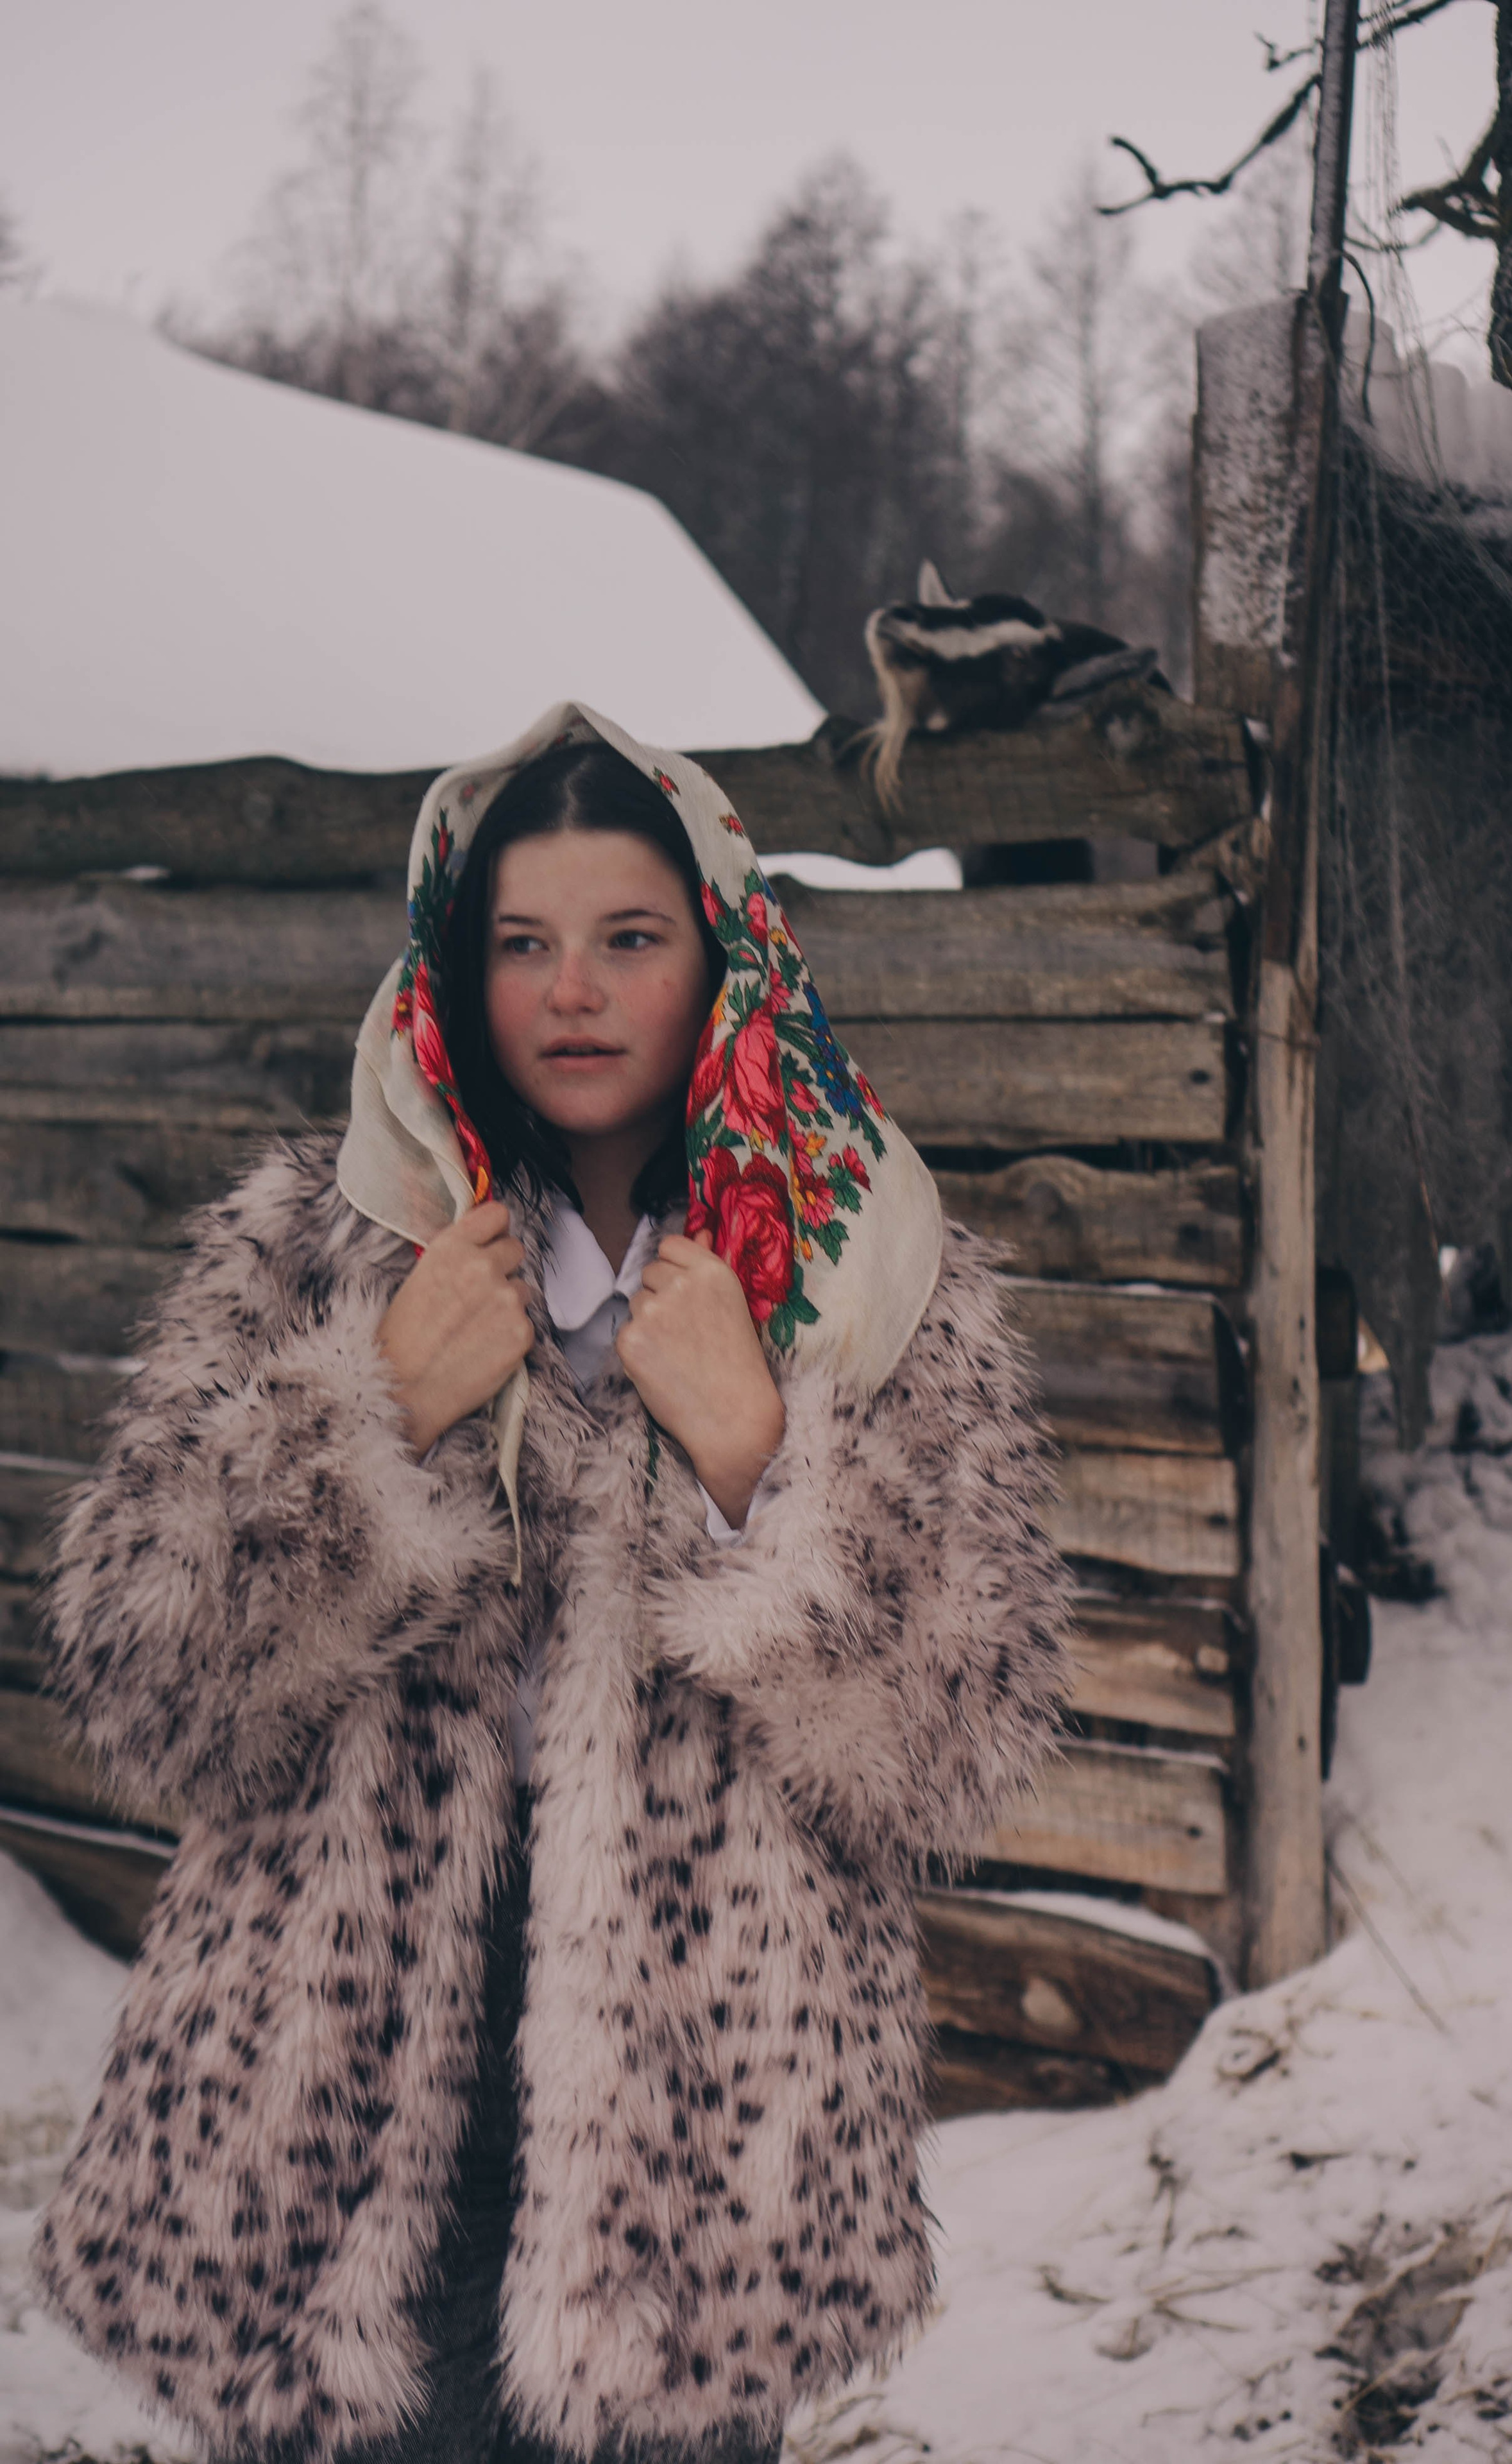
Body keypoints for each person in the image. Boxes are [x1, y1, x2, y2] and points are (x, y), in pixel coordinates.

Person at [33, 703, 1069, 2464]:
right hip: (327, 2106)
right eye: (521, 943)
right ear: (454, 968)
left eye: (629, 940)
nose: (572, 990)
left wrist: (757, 1459)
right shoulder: (324, 1240)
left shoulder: (861, 1276)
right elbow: (145, 1681)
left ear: (725, 961)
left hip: (703, 2139)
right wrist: (372, 1415)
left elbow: (956, 1746)